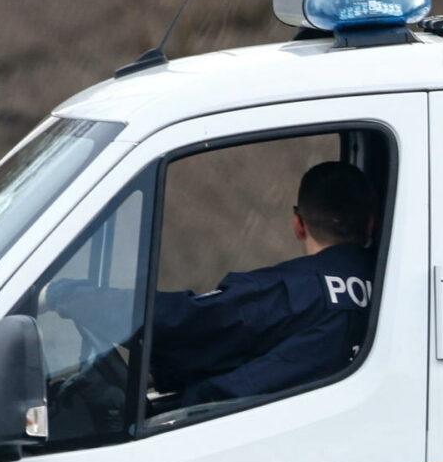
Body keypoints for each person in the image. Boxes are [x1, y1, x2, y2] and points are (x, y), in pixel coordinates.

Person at [144, 160, 378, 407]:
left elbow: (191, 322)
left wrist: (114, 305)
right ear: (372, 223)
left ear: (298, 225)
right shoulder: (392, 287)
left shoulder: (292, 290)